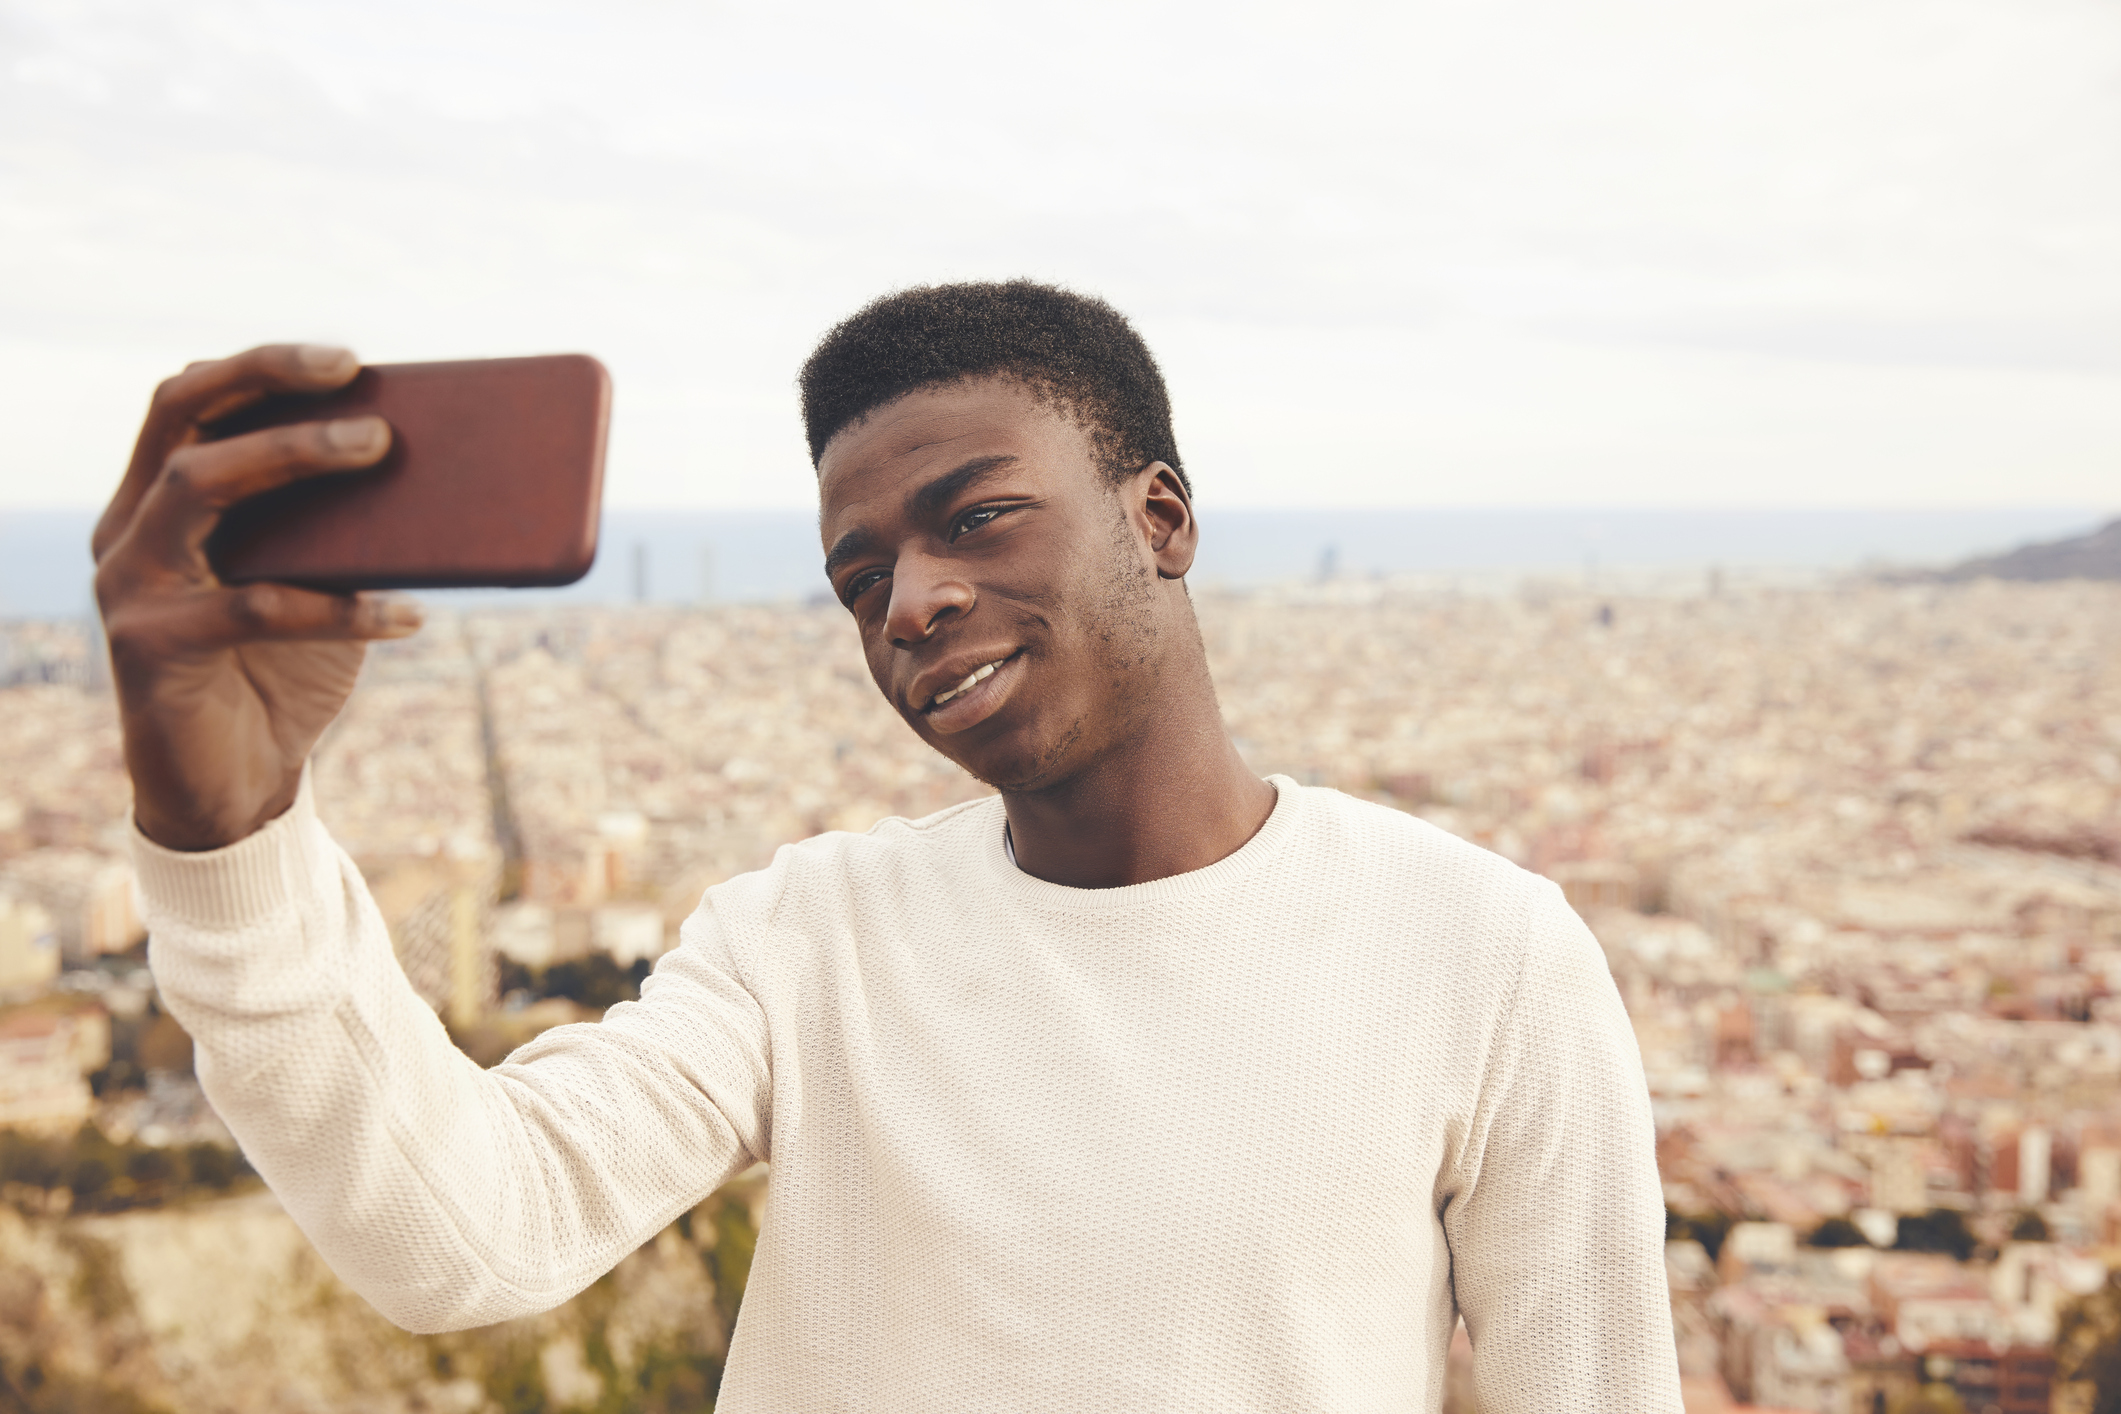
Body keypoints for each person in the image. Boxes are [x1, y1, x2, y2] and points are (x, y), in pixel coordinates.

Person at [95, 281, 1681, 1412]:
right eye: (859, 574)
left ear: (1162, 518)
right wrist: (225, 823)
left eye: (976, 515)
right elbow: (463, 1233)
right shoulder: (806, 933)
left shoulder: (1483, 950)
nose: (908, 597)